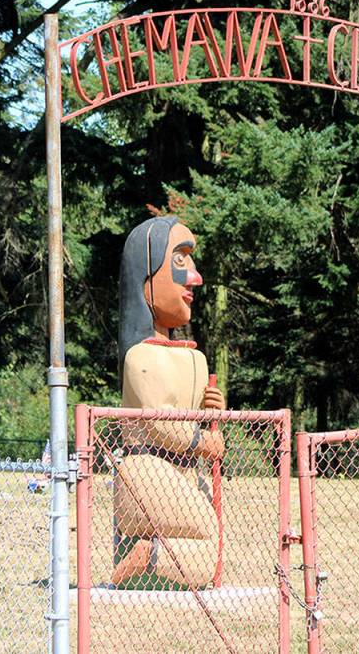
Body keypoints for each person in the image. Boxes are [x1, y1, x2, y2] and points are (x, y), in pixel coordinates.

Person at [110, 216, 225, 588]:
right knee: (208, 534)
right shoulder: (139, 357)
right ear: (145, 273)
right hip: (146, 468)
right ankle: (142, 560)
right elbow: (162, 422)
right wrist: (204, 440)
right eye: (180, 261)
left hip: (186, 471)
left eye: (192, 262)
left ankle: (150, 556)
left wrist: (212, 414)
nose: (194, 278)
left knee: (216, 549)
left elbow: (189, 419)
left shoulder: (195, 357)